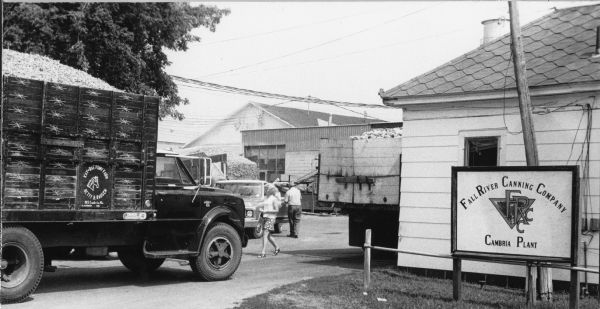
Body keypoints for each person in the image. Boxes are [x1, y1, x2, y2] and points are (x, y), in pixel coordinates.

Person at [258, 185, 281, 258]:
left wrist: (267, 211)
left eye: (267, 189)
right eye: (266, 189)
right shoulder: (265, 198)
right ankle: (277, 247)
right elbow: (261, 206)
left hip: (271, 218)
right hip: (264, 217)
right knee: (268, 236)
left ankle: (263, 252)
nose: (266, 190)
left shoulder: (274, 199)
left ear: (271, 191)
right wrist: (260, 209)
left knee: (265, 234)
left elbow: (276, 210)